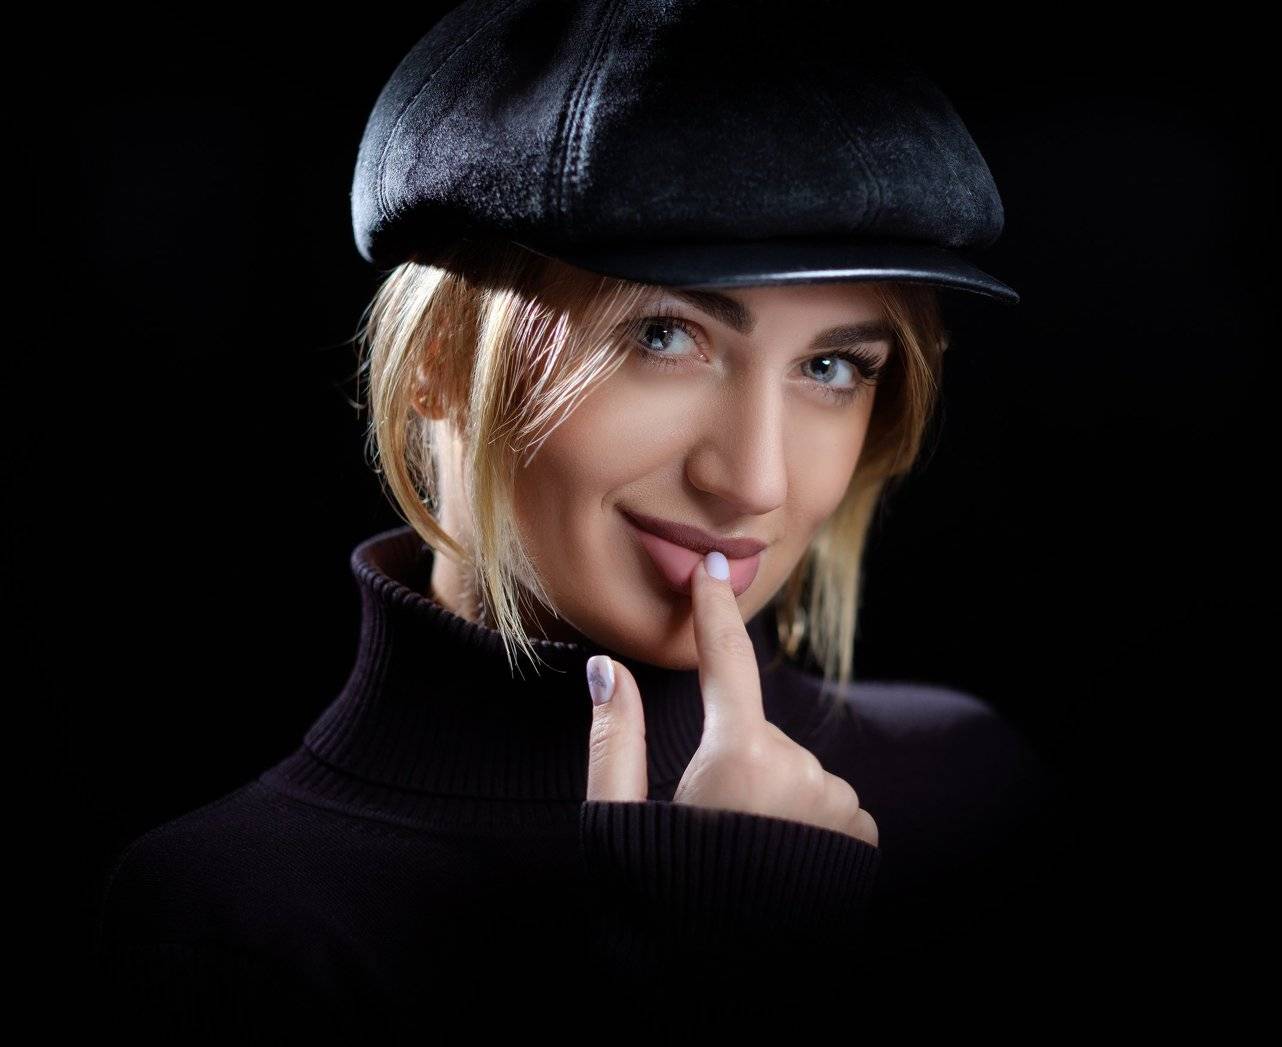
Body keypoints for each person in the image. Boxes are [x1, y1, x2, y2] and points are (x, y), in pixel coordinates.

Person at [92, 0, 1066, 1038]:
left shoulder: (965, 791)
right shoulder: (230, 922)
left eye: (831, 366)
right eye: (662, 336)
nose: (755, 482)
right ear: (436, 363)